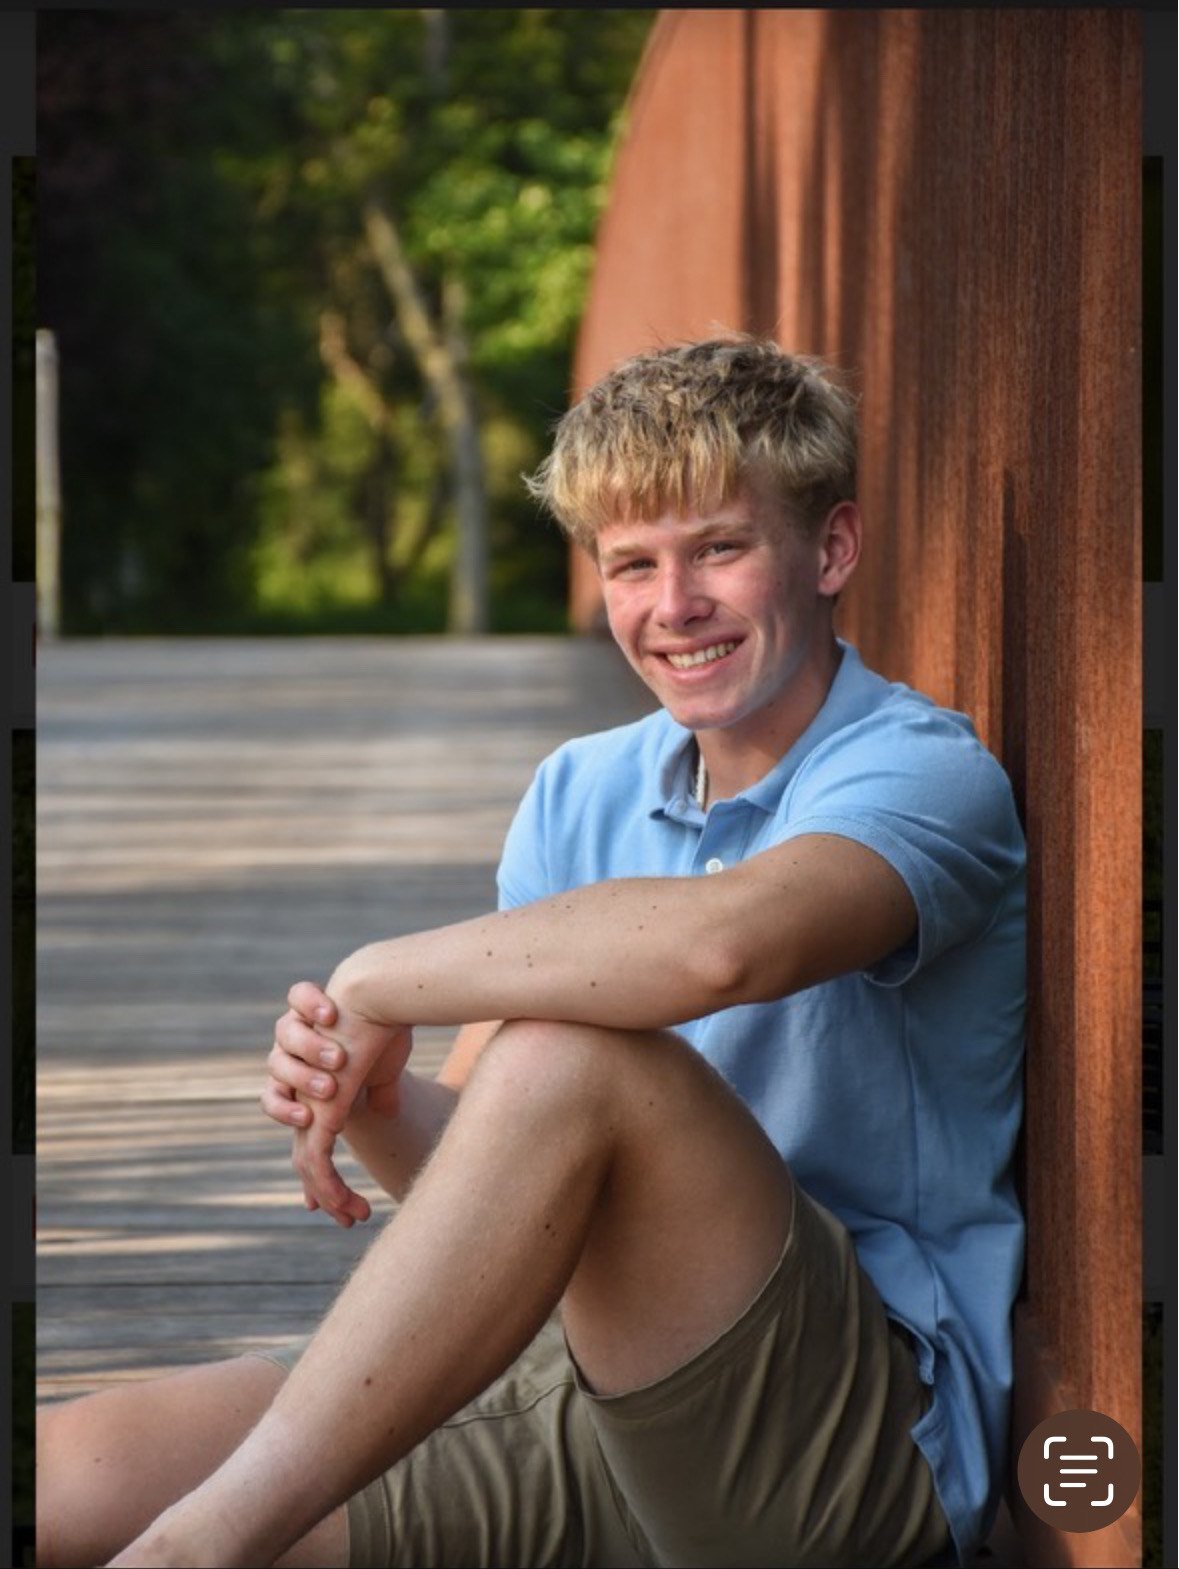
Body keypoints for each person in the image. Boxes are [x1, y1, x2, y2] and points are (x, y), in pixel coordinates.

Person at [37, 337, 1025, 1569]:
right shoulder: (581, 789)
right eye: (633, 564)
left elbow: (724, 948)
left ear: (830, 550)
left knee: (575, 1055)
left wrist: (379, 977)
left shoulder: (923, 772)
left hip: (845, 1441)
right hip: (593, 1389)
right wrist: (376, 1096)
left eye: (720, 549)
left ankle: (205, 1548)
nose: (675, 605)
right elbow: (492, 1179)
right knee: (67, 1478)